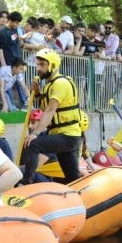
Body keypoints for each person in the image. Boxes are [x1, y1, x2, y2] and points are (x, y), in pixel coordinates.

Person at [20, 49, 82, 184]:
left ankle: (25, 183)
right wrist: (37, 95)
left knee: (32, 144)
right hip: (62, 134)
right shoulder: (49, 85)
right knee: (72, 176)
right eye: (38, 65)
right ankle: (79, 193)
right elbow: (44, 110)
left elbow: (50, 110)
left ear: (52, 65)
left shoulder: (60, 83)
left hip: (67, 135)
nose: (38, 68)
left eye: (42, 65)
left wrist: (35, 133)